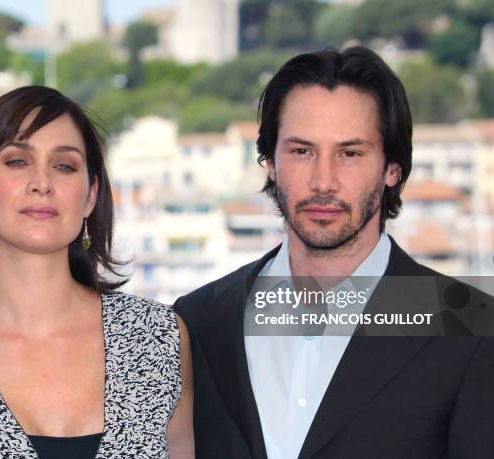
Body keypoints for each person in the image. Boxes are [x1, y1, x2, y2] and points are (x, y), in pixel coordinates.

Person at [174, 47, 494, 458]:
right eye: (301, 151)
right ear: (270, 162)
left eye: (350, 154)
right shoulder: (198, 321)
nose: (323, 181)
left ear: (392, 168)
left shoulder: (469, 329)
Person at [0, 86, 194, 459]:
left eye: (64, 166)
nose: (42, 184)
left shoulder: (159, 339)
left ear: (91, 196)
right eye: (17, 161)